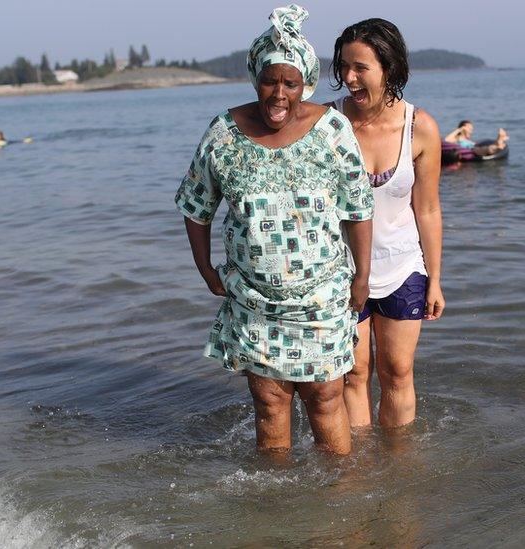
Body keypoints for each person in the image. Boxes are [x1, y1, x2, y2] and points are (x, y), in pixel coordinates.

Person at [175, 5, 374, 455]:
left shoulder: (332, 130)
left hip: (322, 294)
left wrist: (361, 276)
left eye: (290, 82)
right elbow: (196, 204)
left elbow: (359, 208)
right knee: (269, 403)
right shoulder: (224, 133)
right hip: (254, 298)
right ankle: (276, 511)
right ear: (255, 79)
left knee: (325, 398)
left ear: (305, 82)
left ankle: (345, 502)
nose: (279, 93)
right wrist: (204, 266)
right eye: (270, 80)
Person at [327, 18, 444, 429]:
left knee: (397, 372)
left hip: (403, 267)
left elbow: (427, 209)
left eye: (360, 68)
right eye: (343, 66)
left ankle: (398, 469)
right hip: (341, 271)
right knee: (353, 376)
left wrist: (434, 279)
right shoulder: (328, 125)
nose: (348, 78)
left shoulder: (420, 128)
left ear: (389, 68)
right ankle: (360, 471)